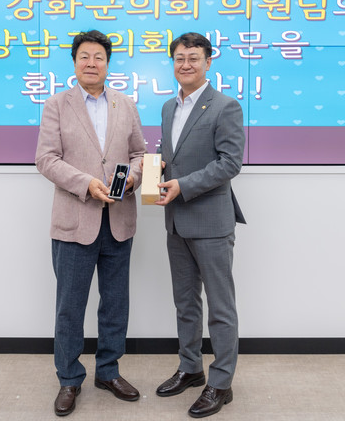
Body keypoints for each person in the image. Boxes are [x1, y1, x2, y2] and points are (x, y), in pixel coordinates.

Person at [35, 30, 147, 417]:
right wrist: (86, 183)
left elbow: (139, 153)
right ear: (74, 62)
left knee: (115, 304)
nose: (91, 63)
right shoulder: (56, 105)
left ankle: (108, 371)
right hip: (74, 222)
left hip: (118, 220)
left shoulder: (125, 104)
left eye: (99, 57)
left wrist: (132, 178)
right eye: (84, 56)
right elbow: (46, 159)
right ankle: (69, 379)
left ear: (108, 63)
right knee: (70, 308)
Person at [153, 32, 246, 418]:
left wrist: (183, 185)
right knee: (185, 303)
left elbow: (230, 163)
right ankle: (190, 368)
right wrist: (157, 166)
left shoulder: (226, 106)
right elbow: (171, 155)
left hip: (210, 222)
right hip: (176, 222)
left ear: (208, 62)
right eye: (179, 58)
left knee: (220, 308)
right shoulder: (167, 107)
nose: (185, 64)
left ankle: (221, 382)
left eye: (193, 58)